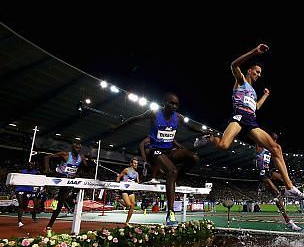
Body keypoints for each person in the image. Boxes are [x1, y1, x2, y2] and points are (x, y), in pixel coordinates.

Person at [209, 44, 304, 200]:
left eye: (260, 73)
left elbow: (255, 107)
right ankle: (209, 138)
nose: (258, 75)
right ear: (249, 71)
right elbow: (233, 65)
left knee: (276, 148)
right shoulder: (241, 80)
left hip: (251, 121)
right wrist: (254, 52)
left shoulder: (254, 92)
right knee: (223, 145)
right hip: (239, 117)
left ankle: (290, 187)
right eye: (257, 72)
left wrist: (265, 96)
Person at [111, 92, 209, 226]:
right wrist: (117, 127)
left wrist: (203, 132)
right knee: (172, 171)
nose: (174, 106)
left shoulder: (178, 117)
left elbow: (190, 127)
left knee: (194, 158)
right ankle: (170, 213)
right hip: (154, 152)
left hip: (168, 152)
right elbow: (134, 119)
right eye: (171, 103)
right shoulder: (154, 113)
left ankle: (173, 179)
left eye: (176, 104)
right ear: (164, 103)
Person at [256, 133, 302, 231]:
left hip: (269, 172)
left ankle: (290, 190)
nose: (275, 142)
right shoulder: (261, 146)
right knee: (277, 194)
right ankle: (289, 221)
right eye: (273, 139)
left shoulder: (272, 149)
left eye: (276, 140)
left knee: (284, 177)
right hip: (262, 174)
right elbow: (257, 136)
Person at [43, 142, 88, 232]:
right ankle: (55, 198)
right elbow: (47, 157)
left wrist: (86, 164)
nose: (78, 149)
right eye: (76, 148)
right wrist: (47, 169)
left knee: (60, 204)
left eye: (79, 148)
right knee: (60, 199)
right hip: (60, 177)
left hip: (70, 180)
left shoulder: (81, 157)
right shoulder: (65, 154)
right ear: (72, 148)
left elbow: (86, 167)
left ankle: (49, 225)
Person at [15, 161, 43, 227]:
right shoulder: (22, 171)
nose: (30, 166)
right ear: (27, 165)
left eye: (32, 165)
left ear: (34, 166)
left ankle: (33, 215)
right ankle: (19, 221)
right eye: (29, 164)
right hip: (20, 189)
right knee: (21, 204)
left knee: (27, 205)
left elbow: (40, 180)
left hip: (30, 191)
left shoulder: (36, 172)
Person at [116, 157, 140, 225]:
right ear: (131, 164)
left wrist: (137, 184)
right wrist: (118, 185)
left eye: (137, 164)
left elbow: (138, 182)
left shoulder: (136, 173)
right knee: (128, 205)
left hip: (131, 190)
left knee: (132, 206)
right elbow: (118, 177)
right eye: (134, 163)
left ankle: (127, 222)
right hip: (124, 189)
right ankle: (119, 200)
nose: (136, 165)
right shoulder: (126, 170)